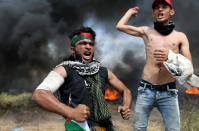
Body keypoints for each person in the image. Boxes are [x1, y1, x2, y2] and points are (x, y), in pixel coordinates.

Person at [32, 26, 132, 131]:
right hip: (78, 127)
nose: (88, 47)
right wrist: (71, 112)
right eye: (83, 43)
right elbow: (39, 94)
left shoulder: (103, 71)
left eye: (91, 44)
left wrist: (125, 106)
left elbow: (126, 91)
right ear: (73, 49)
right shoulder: (64, 70)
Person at [116, 0, 192, 130]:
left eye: (164, 7)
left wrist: (171, 57)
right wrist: (130, 12)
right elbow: (120, 26)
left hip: (169, 92)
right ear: (153, 13)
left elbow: (188, 66)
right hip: (146, 90)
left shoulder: (180, 37)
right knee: (139, 128)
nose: (160, 10)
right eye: (156, 8)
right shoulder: (146, 31)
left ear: (171, 12)